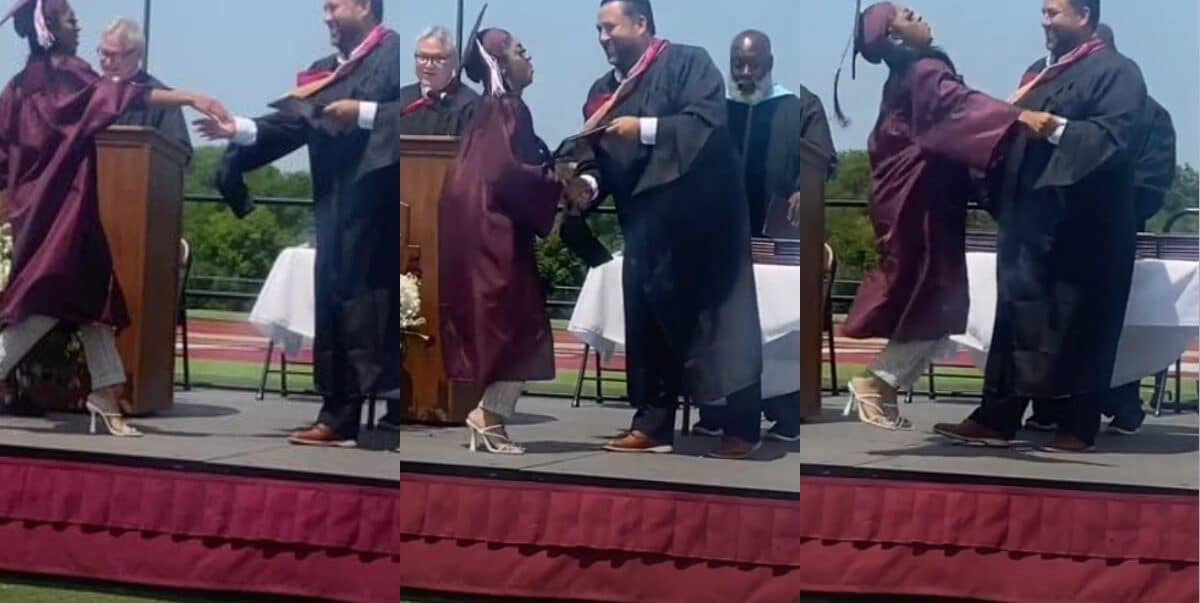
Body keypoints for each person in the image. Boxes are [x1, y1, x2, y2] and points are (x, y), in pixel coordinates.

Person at [0, 0, 227, 436]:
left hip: (47, 209)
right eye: (69, 19)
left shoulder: (16, 87)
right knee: (44, 302)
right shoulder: (67, 74)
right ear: (49, 30)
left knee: (93, 297)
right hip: (60, 211)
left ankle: (105, 392)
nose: (77, 24)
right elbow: (122, 95)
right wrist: (193, 96)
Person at [935, 0, 1148, 452]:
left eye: (1054, 12)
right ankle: (997, 417)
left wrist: (1055, 130)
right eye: (1043, 12)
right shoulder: (1039, 72)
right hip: (1029, 227)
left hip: (1085, 232)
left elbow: (1115, 140)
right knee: (1015, 319)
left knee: (1082, 325)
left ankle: (1077, 426)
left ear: (1084, 16)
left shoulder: (1118, 72)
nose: (1044, 21)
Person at [833, 2, 1053, 431]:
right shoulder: (924, 71)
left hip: (916, 198)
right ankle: (877, 384)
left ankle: (883, 389)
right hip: (920, 202)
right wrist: (1017, 118)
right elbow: (957, 109)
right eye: (905, 16)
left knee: (934, 300)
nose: (916, 14)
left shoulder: (911, 73)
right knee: (936, 298)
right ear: (895, 38)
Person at [562, 0, 765, 460]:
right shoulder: (601, 91)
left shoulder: (689, 63)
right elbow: (597, 155)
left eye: (610, 27)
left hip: (704, 226)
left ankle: (741, 427)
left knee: (721, 327)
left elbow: (706, 125)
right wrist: (588, 185)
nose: (603, 37)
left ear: (641, 23)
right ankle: (653, 425)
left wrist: (644, 129)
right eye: (598, 29)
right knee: (648, 325)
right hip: (646, 227)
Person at [198, 0, 404, 448]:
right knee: (334, 300)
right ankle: (339, 414)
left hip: (388, 208)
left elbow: (413, 112)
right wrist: (238, 128)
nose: (326, 15)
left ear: (365, 6)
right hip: (336, 206)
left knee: (385, 303)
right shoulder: (323, 71)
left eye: (334, 5)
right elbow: (293, 126)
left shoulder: (397, 53)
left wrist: (364, 113)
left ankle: (397, 409)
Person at [1023, 22, 1176, 437]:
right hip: (1050, 228)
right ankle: (1048, 405)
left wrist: (1118, 213)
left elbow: (1150, 182)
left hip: (1108, 229)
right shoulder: (1051, 96)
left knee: (1099, 326)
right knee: (1048, 322)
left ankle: (1116, 404)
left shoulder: (1148, 113)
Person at [692, 29, 837, 443]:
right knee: (718, 322)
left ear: (770, 62)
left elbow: (823, 161)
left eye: (753, 64)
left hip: (781, 240)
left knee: (779, 327)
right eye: (738, 63)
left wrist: (802, 190)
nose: (745, 72)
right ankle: (716, 409)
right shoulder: (716, 111)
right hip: (724, 237)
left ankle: (784, 411)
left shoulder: (800, 105)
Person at [438, 28, 562, 455]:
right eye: (520, 51)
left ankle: (489, 416)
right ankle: (489, 417)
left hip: (476, 227)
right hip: (494, 233)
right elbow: (510, 175)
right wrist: (555, 180)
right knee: (521, 326)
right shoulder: (507, 109)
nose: (530, 58)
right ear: (501, 64)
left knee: (511, 324)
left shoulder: (485, 110)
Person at [374, 25, 480, 431]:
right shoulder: (399, 103)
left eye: (436, 58)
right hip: (395, 228)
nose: (428, 65)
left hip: (446, 235)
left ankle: (441, 398)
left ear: (453, 62)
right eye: (421, 56)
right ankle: (393, 401)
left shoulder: (472, 106)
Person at [98, 18, 192, 161]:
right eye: (104, 53)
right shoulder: (89, 93)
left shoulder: (164, 99)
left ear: (138, 54)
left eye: (116, 55)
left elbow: (179, 154)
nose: (108, 62)